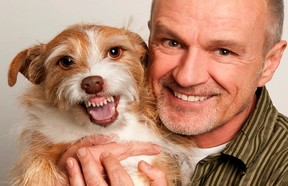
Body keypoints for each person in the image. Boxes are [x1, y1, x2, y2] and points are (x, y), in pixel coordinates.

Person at [58, 0, 288, 185]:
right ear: (146, 41)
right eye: (172, 43)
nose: (186, 77)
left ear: (269, 63)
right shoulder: (82, 128)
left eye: (224, 51)